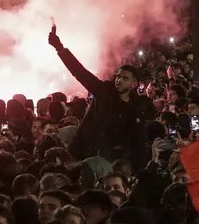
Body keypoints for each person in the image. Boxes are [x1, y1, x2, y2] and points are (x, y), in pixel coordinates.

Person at [48, 25, 152, 165]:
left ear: (134, 84)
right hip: (87, 153)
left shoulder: (137, 106)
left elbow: (137, 139)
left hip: (115, 161)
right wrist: (60, 48)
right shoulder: (104, 91)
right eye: (118, 77)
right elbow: (80, 72)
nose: (119, 81)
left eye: (125, 78)